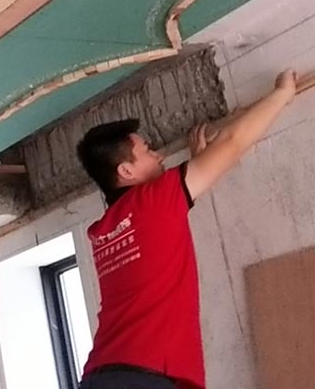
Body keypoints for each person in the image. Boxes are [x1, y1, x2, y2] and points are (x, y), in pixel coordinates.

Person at [74, 69, 298, 389]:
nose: (159, 155)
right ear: (126, 170)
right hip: (144, 376)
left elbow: (159, 237)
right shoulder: (154, 201)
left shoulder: (104, 230)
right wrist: (282, 94)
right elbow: (232, 143)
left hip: (105, 374)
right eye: (147, 150)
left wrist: (200, 164)